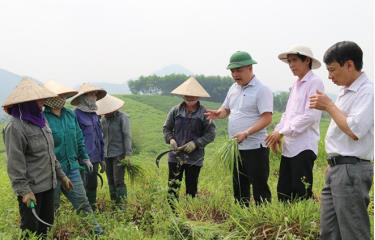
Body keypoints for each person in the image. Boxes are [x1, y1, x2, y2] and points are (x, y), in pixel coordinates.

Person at [310, 41, 373, 240]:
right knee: (329, 232)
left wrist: (329, 105)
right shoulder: (346, 91)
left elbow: (354, 130)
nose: (330, 76)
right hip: (338, 169)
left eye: (333, 70)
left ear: (349, 65)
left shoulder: (367, 92)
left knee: (353, 232)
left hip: (351, 169)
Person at [2, 77, 73, 238]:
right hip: (32, 191)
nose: (42, 102)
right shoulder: (15, 127)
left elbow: (50, 154)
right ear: (27, 102)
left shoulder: (42, 121)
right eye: (38, 100)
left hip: (49, 186)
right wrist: (25, 191)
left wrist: (62, 176)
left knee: (45, 228)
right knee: (30, 231)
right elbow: (15, 164)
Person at [205, 51, 273, 206]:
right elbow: (226, 110)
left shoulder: (262, 90)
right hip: (236, 147)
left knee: (259, 186)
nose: (235, 74)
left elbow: (267, 118)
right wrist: (218, 113)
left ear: (250, 68)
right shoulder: (233, 88)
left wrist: (247, 132)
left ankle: (263, 219)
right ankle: (242, 214)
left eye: (239, 70)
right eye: (232, 71)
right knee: (239, 185)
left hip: (255, 147)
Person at [43, 81, 104, 235]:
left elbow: (78, 138)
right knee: (52, 207)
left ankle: (97, 233)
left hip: (72, 168)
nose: (62, 99)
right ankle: (50, 234)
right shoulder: (42, 119)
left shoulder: (70, 115)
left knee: (83, 203)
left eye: (63, 96)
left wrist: (84, 157)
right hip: (52, 172)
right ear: (49, 98)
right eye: (59, 96)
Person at [265, 46, 324, 202]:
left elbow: (310, 116)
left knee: (301, 191)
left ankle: (303, 224)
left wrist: (283, 132)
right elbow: (288, 114)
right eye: (289, 61)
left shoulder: (315, 82)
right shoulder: (296, 84)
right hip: (289, 147)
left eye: (295, 60)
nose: (291, 65)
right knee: (284, 190)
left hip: (304, 146)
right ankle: (288, 223)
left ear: (307, 61)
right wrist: (277, 132)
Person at [163, 76, 215, 207]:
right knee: (173, 187)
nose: (190, 98)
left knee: (191, 188)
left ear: (198, 97)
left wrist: (196, 143)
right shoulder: (175, 111)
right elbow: (166, 128)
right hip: (176, 156)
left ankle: (190, 214)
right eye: (187, 95)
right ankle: (172, 213)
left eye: (193, 96)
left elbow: (211, 134)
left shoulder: (205, 113)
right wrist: (171, 140)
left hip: (195, 158)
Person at [70, 83, 107, 211]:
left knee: (92, 185)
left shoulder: (94, 115)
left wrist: (102, 158)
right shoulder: (75, 115)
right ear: (84, 97)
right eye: (92, 94)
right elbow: (75, 139)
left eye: (95, 94)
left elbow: (99, 138)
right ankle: (83, 212)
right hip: (82, 159)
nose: (95, 97)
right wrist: (82, 157)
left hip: (95, 157)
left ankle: (92, 209)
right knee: (82, 187)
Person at [97, 94, 132, 206]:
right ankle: (114, 203)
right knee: (110, 179)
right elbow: (101, 138)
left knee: (118, 180)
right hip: (106, 154)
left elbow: (127, 136)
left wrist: (128, 154)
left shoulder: (122, 117)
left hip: (119, 154)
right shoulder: (103, 120)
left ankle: (122, 205)